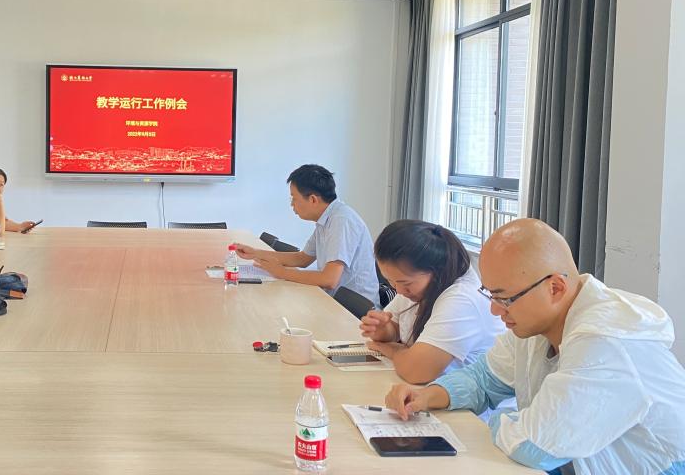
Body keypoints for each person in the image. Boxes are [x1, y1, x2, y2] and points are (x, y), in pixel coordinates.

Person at [384, 219, 685, 474]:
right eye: (491, 296)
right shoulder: (537, 323)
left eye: (504, 298)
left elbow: (533, 446)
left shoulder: (605, 342)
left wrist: (504, 420)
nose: (495, 310)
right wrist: (427, 395)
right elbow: (484, 379)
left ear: (555, 287)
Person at [360, 220, 504, 384]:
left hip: (466, 398)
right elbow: (395, 328)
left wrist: (393, 350)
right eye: (390, 282)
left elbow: (416, 372)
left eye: (405, 283)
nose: (398, 291)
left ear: (437, 273)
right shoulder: (418, 286)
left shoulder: (461, 300)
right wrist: (382, 330)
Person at [235, 164, 379, 307]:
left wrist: (281, 272)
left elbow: (329, 279)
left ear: (313, 199)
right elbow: (302, 258)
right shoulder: (327, 219)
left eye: (294, 198)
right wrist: (255, 253)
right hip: (334, 301)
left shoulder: (341, 221)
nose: (292, 204)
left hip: (356, 312)